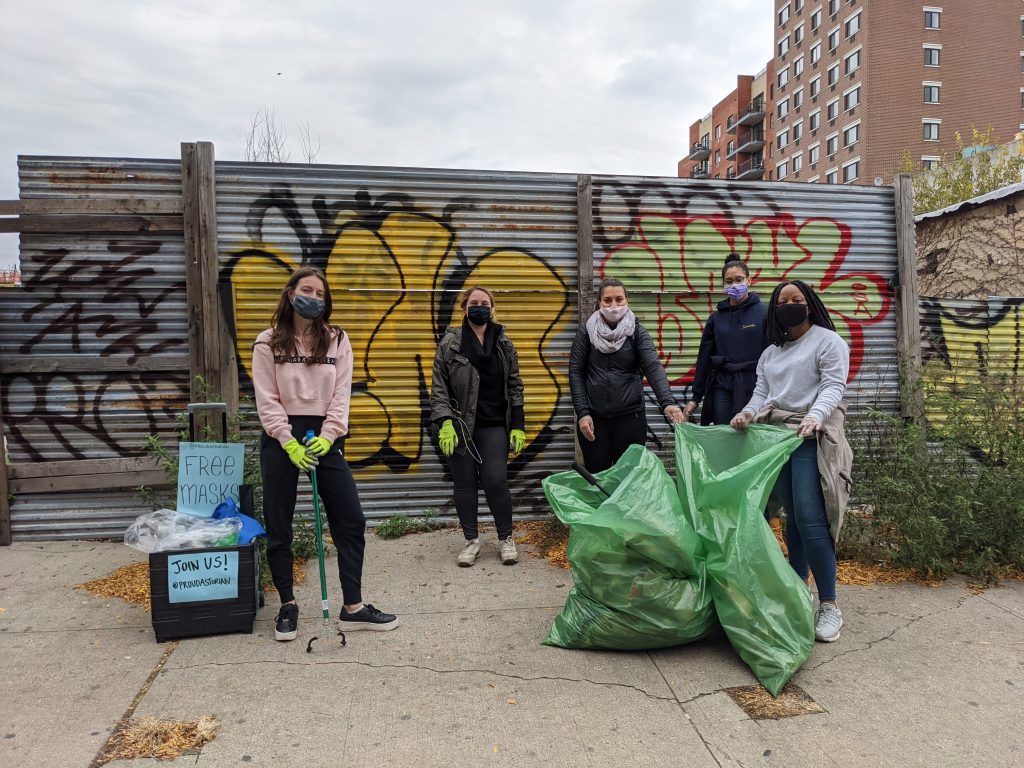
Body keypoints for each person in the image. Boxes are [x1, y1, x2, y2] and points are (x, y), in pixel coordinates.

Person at [253, 266, 398, 641]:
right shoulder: (267, 342)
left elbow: (342, 394)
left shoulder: (337, 339)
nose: (314, 298)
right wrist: (287, 441)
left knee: (351, 518)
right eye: (307, 290)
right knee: (279, 524)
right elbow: (266, 399)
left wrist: (329, 434)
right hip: (281, 438)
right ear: (290, 294)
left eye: (320, 293)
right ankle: (287, 605)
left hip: (324, 437)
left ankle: (353, 607)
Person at [730, 280, 852, 643]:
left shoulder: (828, 342)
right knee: (791, 519)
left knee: (812, 519)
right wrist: (747, 414)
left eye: (796, 300)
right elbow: (763, 394)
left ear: (810, 305)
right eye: (782, 302)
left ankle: (829, 604)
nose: (789, 306)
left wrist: (815, 416)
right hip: (775, 439)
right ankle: (798, 590)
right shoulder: (771, 353)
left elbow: (833, 385)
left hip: (809, 439)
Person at [430, 286, 527, 567]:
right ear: (464, 308)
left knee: (495, 480)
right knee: (464, 484)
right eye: (474, 303)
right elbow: (439, 388)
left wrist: (518, 425)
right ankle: (471, 542)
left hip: (494, 424)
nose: (480, 307)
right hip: (459, 425)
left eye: (485, 303)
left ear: (492, 309)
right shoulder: (450, 344)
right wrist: (445, 421)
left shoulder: (504, 344)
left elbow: (515, 385)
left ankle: (506, 538)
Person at [569, 277, 685, 473]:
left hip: (630, 419)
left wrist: (668, 403)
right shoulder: (586, 334)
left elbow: (653, 366)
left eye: (619, 299)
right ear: (599, 303)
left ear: (626, 301)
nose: (613, 305)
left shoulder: (637, 332)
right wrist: (583, 413)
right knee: (599, 480)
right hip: (595, 422)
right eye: (608, 300)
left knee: (630, 479)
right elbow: (576, 373)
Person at [684, 253, 768, 425]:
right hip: (723, 387)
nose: (734, 285)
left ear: (749, 281)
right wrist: (695, 397)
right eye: (729, 281)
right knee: (724, 435)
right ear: (723, 285)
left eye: (739, 279)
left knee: (753, 438)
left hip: (758, 387)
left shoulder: (765, 313)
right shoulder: (716, 318)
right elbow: (704, 358)